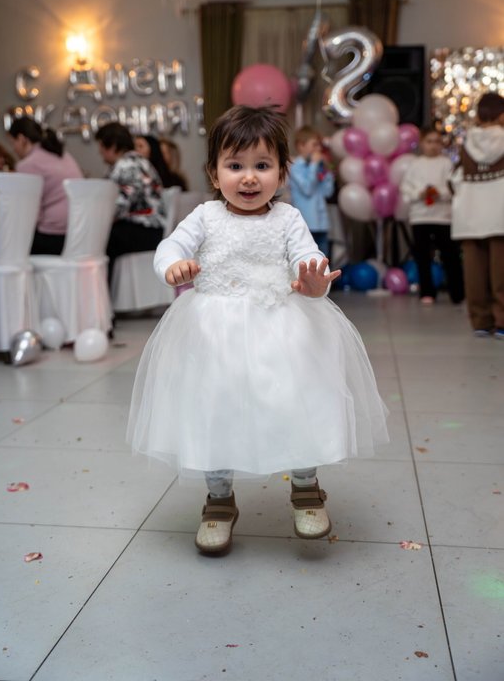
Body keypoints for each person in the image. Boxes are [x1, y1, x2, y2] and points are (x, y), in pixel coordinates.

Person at [127, 105, 389, 556]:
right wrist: (173, 265)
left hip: (280, 329)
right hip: (214, 333)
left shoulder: (287, 219)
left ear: (282, 173)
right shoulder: (205, 216)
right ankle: (218, 499)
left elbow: (308, 257)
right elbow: (170, 245)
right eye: (235, 166)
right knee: (214, 409)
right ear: (214, 173)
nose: (249, 178)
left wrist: (315, 280)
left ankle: (306, 488)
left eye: (262, 166)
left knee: (296, 404)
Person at [451, 92, 504, 338]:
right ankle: (502, 322)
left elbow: (454, 179)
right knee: (501, 273)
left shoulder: (466, 143)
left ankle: (481, 321)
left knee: (474, 273)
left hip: (469, 214)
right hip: (500, 213)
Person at [400, 127, 464, 305]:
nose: (433, 146)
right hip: (420, 217)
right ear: (421, 143)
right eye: (429, 142)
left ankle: (457, 293)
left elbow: (455, 187)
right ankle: (427, 291)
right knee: (422, 257)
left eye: (437, 142)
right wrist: (420, 193)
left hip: (443, 217)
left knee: (450, 255)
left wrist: (439, 193)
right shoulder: (415, 164)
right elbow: (406, 188)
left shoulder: (446, 163)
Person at [96, 122, 166, 283]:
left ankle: (103, 291)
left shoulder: (126, 166)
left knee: (101, 239)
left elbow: (117, 207)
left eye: (101, 146)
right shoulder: (140, 161)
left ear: (113, 146)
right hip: (153, 229)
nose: (100, 152)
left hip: (145, 230)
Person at [9, 117, 83, 255]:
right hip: (78, 233)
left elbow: (29, 214)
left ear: (21, 139)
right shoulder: (64, 155)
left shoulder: (28, 164)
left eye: (13, 142)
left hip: (54, 237)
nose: (13, 149)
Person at [288, 125, 335, 256]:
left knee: (324, 262)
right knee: (307, 260)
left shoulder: (318, 167)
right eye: (314, 145)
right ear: (301, 146)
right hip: (306, 224)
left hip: (321, 223)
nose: (318, 149)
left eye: (319, 145)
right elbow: (307, 189)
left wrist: (328, 171)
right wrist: (314, 165)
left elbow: (328, 192)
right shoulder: (296, 168)